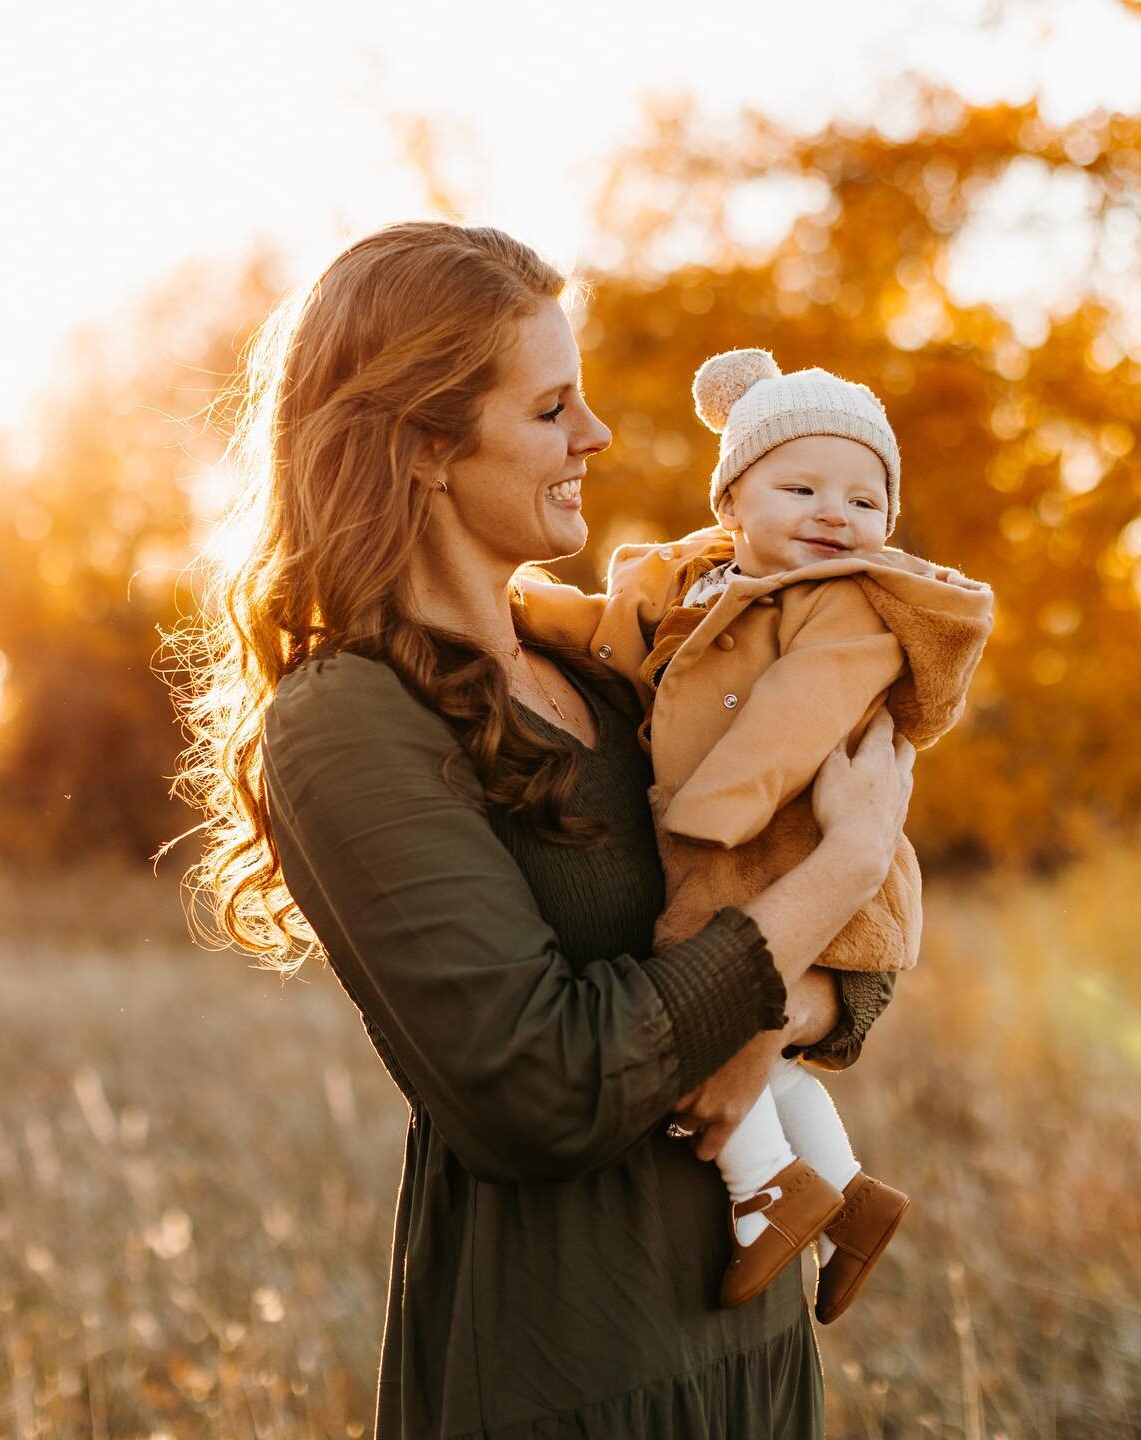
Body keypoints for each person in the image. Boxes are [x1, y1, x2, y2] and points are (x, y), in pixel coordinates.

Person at [166, 222, 915, 1440]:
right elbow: (543, 1090)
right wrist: (844, 864)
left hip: (751, 1351)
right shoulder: (351, 718)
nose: (597, 437)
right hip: (573, 1372)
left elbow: (848, 984)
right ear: (423, 446)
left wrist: (779, 993)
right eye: (553, 406)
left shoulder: (615, 673)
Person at [558, 347, 995, 1325]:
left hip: (782, 856)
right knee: (777, 1056)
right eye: (802, 487)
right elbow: (610, 637)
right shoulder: (708, 588)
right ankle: (847, 1195)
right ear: (732, 508)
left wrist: (715, 810)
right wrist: (521, 610)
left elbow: (798, 714)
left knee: (701, 992)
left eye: (864, 501)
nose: (836, 515)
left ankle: (766, 1190)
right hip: (768, 858)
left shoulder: (844, 606)